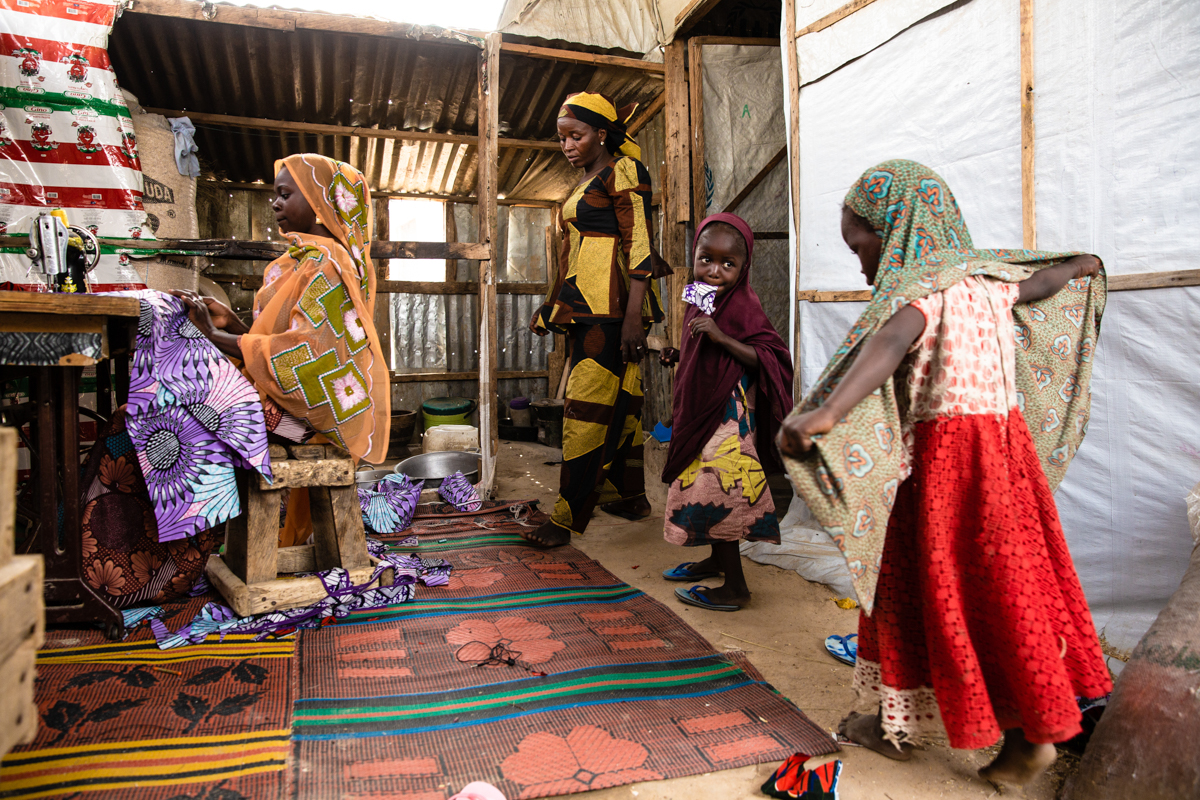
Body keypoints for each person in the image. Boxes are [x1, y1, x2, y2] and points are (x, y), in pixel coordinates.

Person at [777, 159, 1111, 786]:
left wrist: (827, 413)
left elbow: (886, 345)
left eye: (861, 243)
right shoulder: (990, 284)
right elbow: (1042, 285)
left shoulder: (920, 295)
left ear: (897, 230)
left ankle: (984, 732)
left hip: (942, 469)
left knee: (926, 591)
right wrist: (1079, 266)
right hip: (1007, 463)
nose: (859, 261)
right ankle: (931, 725)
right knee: (1003, 588)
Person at [175, 154, 391, 546]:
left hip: (307, 424)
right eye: (275, 195)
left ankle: (179, 546)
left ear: (321, 201)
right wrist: (232, 325)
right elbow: (287, 347)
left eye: (286, 194)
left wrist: (210, 335)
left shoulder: (326, 266)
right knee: (183, 403)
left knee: (178, 411)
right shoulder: (303, 262)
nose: (275, 204)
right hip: (293, 410)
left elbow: (303, 358)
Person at [524, 91, 665, 547]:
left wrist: (631, 319)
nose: (567, 145)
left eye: (576, 135)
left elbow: (638, 241)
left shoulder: (622, 170)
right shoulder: (588, 179)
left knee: (584, 411)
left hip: (609, 315)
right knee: (623, 404)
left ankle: (566, 517)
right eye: (562, 137)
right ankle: (633, 496)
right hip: (587, 310)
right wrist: (555, 307)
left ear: (601, 134)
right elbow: (580, 253)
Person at [657, 213, 793, 611]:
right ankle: (717, 560)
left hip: (728, 416)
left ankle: (736, 588)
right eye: (706, 259)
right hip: (704, 404)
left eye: (728, 264)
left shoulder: (744, 303)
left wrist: (721, 336)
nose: (715, 271)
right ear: (694, 256)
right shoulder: (699, 294)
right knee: (708, 488)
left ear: (743, 266)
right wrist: (681, 354)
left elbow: (769, 357)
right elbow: (704, 350)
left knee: (718, 491)